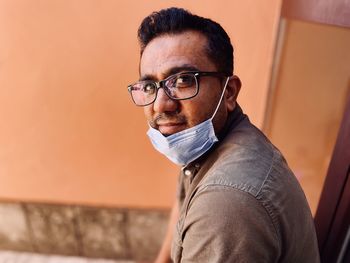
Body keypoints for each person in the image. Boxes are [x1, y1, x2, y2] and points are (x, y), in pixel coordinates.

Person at [127, 7, 320, 263]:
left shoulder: (225, 203)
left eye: (183, 80)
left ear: (228, 92)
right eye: (150, 86)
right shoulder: (205, 146)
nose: (161, 104)